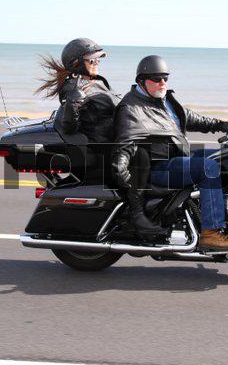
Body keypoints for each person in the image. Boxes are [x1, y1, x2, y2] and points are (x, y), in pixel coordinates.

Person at [112, 55, 228, 250]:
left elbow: (190, 117)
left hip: (178, 158)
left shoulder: (163, 100)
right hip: (160, 167)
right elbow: (125, 143)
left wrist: (225, 125)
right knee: (208, 168)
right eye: (157, 78)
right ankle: (211, 233)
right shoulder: (131, 108)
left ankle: (227, 209)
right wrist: (120, 168)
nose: (162, 83)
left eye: (165, 78)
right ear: (141, 81)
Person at [36, 38, 157, 233]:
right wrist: (73, 103)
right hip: (102, 146)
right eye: (92, 60)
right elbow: (69, 126)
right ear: (77, 63)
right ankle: (137, 213)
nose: (97, 63)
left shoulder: (96, 81)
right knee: (142, 155)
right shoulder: (74, 87)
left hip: (117, 137)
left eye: (98, 59)